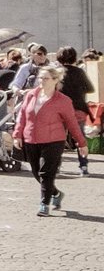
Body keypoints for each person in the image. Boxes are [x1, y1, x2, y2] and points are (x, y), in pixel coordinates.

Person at [15, 64, 85, 216]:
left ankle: (44, 204)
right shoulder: (31, 95)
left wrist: (81, 143)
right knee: (36, 172)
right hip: (31, 138)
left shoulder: (63, 101)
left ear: (55, 80)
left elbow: (72, 123)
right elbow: (22, 116)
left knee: (46, 173)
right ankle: (56, 194)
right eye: (40, 78)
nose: (42, 81)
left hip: (54, 140)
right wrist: (17, 135)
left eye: (46, 78)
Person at [56, 46, 94, 177]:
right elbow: (90, 88)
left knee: (59, 138)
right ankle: (83, 166)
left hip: (59, 110)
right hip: (78, 108)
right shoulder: (79, 72)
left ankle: (57, 166)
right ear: (74, 57)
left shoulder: (56, 72)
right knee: (80, 138)